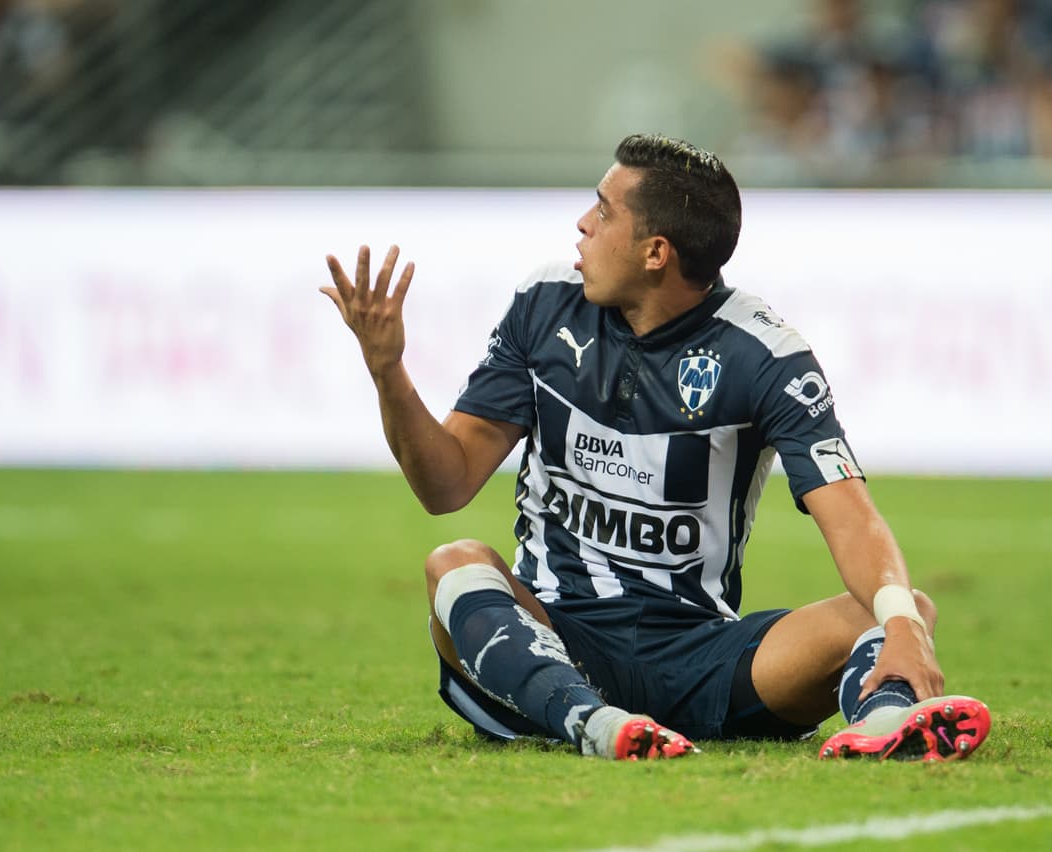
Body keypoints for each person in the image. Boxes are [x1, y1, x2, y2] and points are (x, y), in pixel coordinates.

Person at [320, 133, 991, 762]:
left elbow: (852, 517)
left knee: (904, 608)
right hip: (554, 635)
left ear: (655, 252)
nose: (583, 224)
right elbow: (446, 485)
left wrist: (898, 620)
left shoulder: (766, 357)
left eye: (604, 212)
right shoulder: (544, 305)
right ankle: (592, 721)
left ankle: (885, 723)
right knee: (455, 563)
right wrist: (388, 371)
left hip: (702, 655)